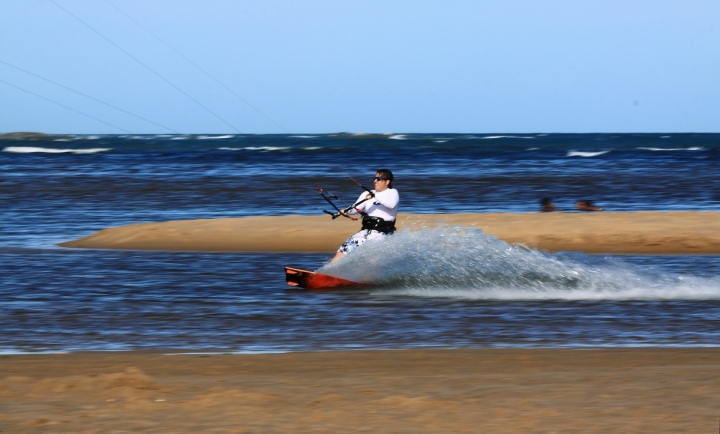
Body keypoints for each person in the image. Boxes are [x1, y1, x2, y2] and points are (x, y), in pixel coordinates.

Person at [330, 169, 399, 263]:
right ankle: (324, 274)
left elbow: (391, 204)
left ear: (387, 181)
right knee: (341, 252)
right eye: (375, 178)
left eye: (379, 179)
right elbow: (355, 208)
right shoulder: (367, 194)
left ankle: (368, 277)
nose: (375, 181)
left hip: (381, 234)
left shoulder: (392, 192)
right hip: (365, 232)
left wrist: (374, 195)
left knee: (372, 259)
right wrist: (346, 211)